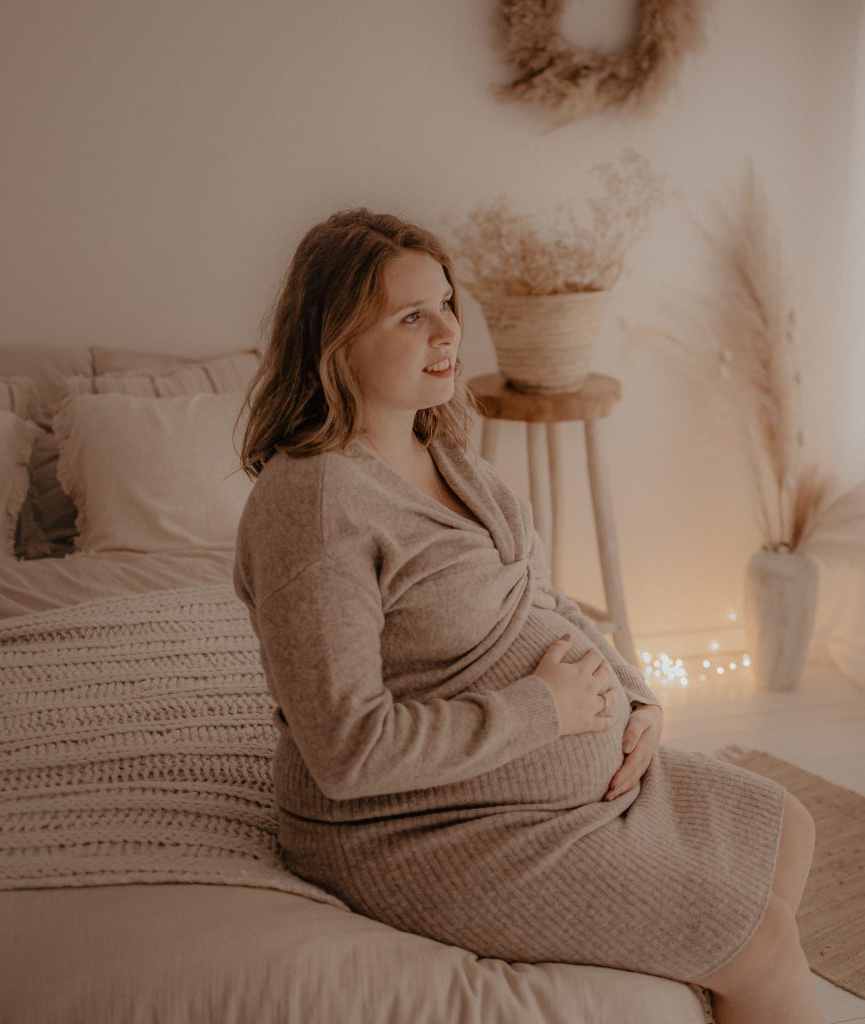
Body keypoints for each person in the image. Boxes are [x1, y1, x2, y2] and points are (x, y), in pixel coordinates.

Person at [232, 208, 824, 1024]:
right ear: (335, 340)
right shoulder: (317, 503)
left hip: (531, 788)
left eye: (447, 305)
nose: (447, 332)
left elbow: (539, 604)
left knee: (788, 827)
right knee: (759, 941)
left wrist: (632, 695)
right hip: (419, 824)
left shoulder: (442, 452)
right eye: (412, 316)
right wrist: (547, 710)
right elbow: (348, 752)